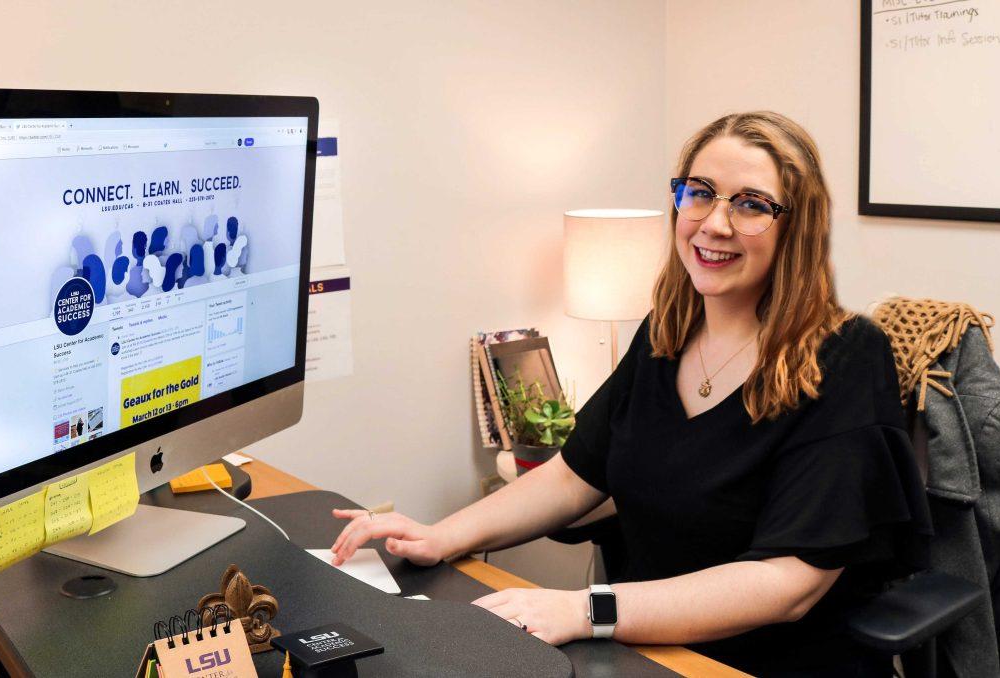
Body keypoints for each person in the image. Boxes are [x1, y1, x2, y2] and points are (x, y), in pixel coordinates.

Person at [329, 111, 931, 676]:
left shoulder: (844, 357)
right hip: (640, 650)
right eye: (699, 193)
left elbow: (789, 583)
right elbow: (573, 476)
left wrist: (584, 610)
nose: (715, 223)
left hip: (763, 662)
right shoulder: (664, 332)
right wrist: (441, 535)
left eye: (751, 204)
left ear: (795, 227)